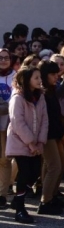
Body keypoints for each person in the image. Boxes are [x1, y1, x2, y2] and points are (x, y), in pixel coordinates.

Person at [6, 66, 48, 224]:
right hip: (20, 142)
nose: (39, 80)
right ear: (26, 80)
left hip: (36, 143)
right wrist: (30, 142)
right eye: (36, 77)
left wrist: (40, 141)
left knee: (35, 171)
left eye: (40, 77)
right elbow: (18, 123)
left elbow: (44, 120)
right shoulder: (18, 97)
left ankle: (18, 199)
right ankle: (20, 209)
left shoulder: (40, 96)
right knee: (24, 173)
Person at [37, 61, 64, 215]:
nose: (56, 77)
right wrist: (61, 133)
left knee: (60, 165)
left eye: (57, 74)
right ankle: (45, 201)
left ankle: (52, 195)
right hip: (47, 135)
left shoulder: (51, 90)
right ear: (44, 75)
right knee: (54, 166)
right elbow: (47, 118)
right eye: (52, 74)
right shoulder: (42, 92)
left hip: (54, 133)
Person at [0, 48, 15, 208]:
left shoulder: (15, 76)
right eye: (0, 57)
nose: (3, 60)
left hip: (8, 125)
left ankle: (2, 194)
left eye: (6, 57)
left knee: (5, 161)